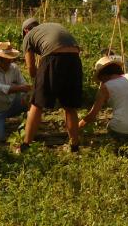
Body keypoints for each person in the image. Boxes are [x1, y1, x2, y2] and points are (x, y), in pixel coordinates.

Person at [19, 17, 83, 153]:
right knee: (69, 107)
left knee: (36, 104)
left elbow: (30, 68)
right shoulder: (51, 26)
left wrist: (39, 84)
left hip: (53, 58)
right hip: (75, 59)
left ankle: (26, 145)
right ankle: (75, 146)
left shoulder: (28, 36)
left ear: (25, 30)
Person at [0, 41, 31, 142]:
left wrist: (25, 96)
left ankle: (27, 127)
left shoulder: (14, 68)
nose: (10, 61)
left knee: (32, 103)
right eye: (8, 59)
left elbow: (23, 83)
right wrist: (20, 88)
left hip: (12, 104)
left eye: (11, 59)